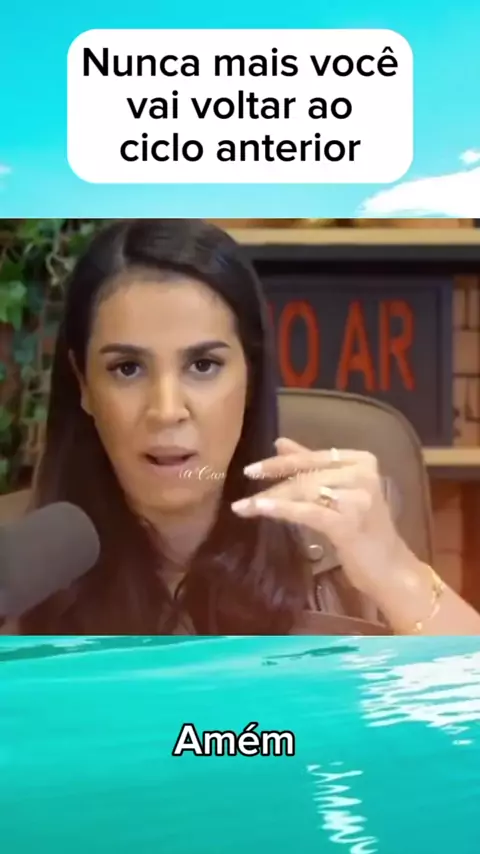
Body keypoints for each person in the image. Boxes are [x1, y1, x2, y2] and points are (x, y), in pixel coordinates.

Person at [11, 218, 480, 636]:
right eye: (128, 368)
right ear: (84, 385)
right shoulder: (14, 561)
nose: (167, 410)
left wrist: (395, 570)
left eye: (203, 365)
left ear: (252, 376)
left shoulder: (341, 538)